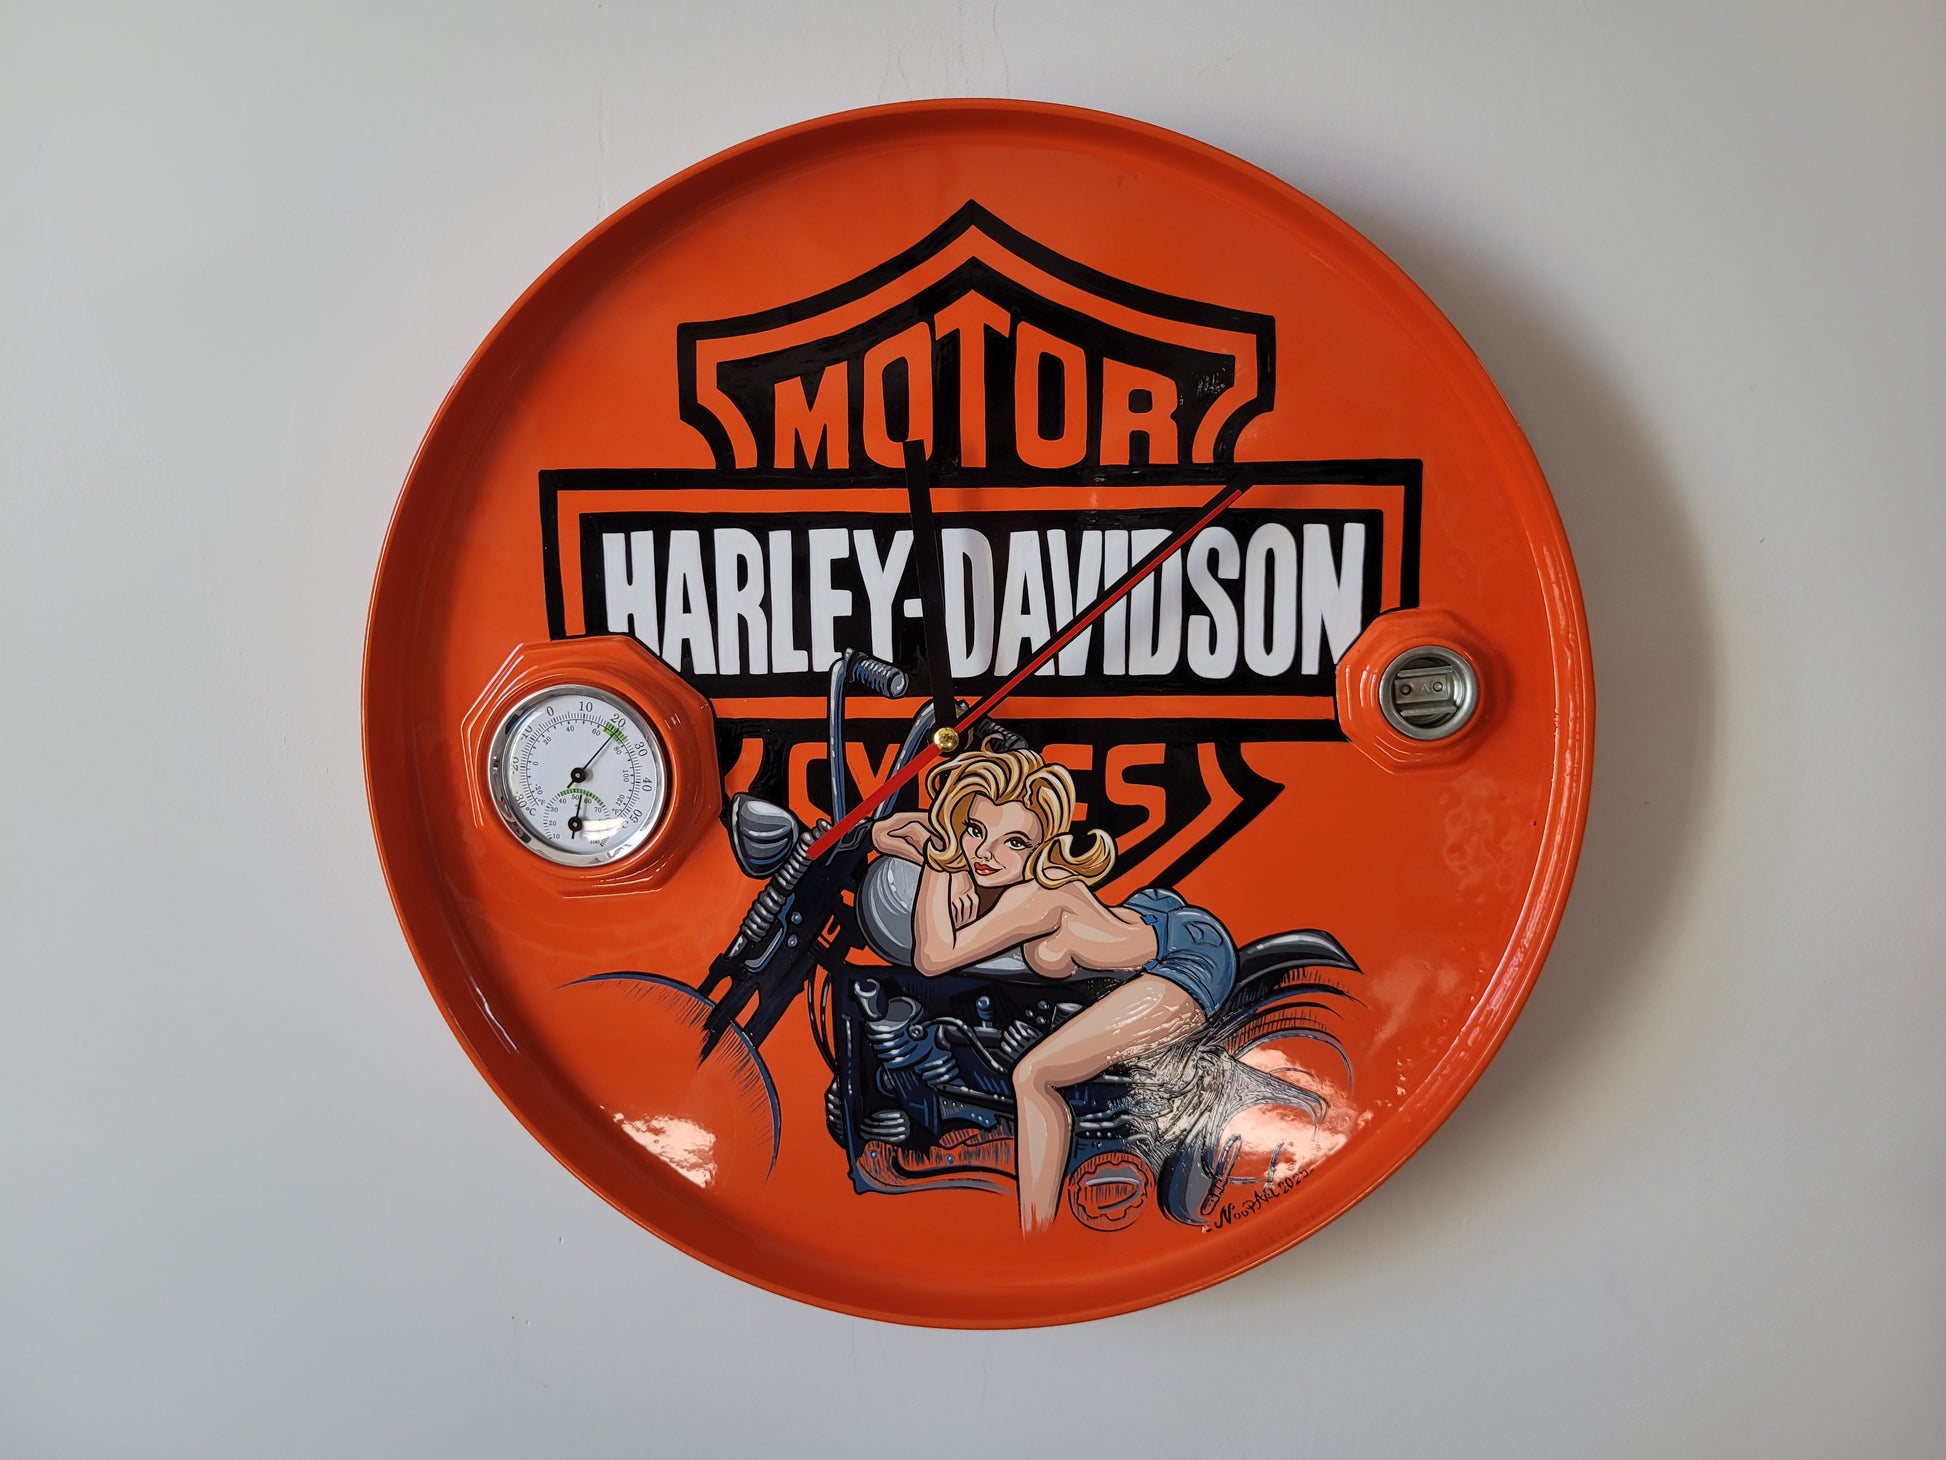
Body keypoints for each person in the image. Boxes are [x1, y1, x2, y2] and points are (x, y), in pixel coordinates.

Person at [871, 745, 1237, 1232]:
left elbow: (934, 957)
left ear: (1043, 846)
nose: (986, 854)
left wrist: (943, 863)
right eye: (976, 830)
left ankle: (1036, 1232)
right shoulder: (996, 873)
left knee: (1035, 1076)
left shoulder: (1037, 896)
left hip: (1185, 957)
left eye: (1014, 842)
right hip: (1145, 920)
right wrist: (951, 851)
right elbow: (882, 831)